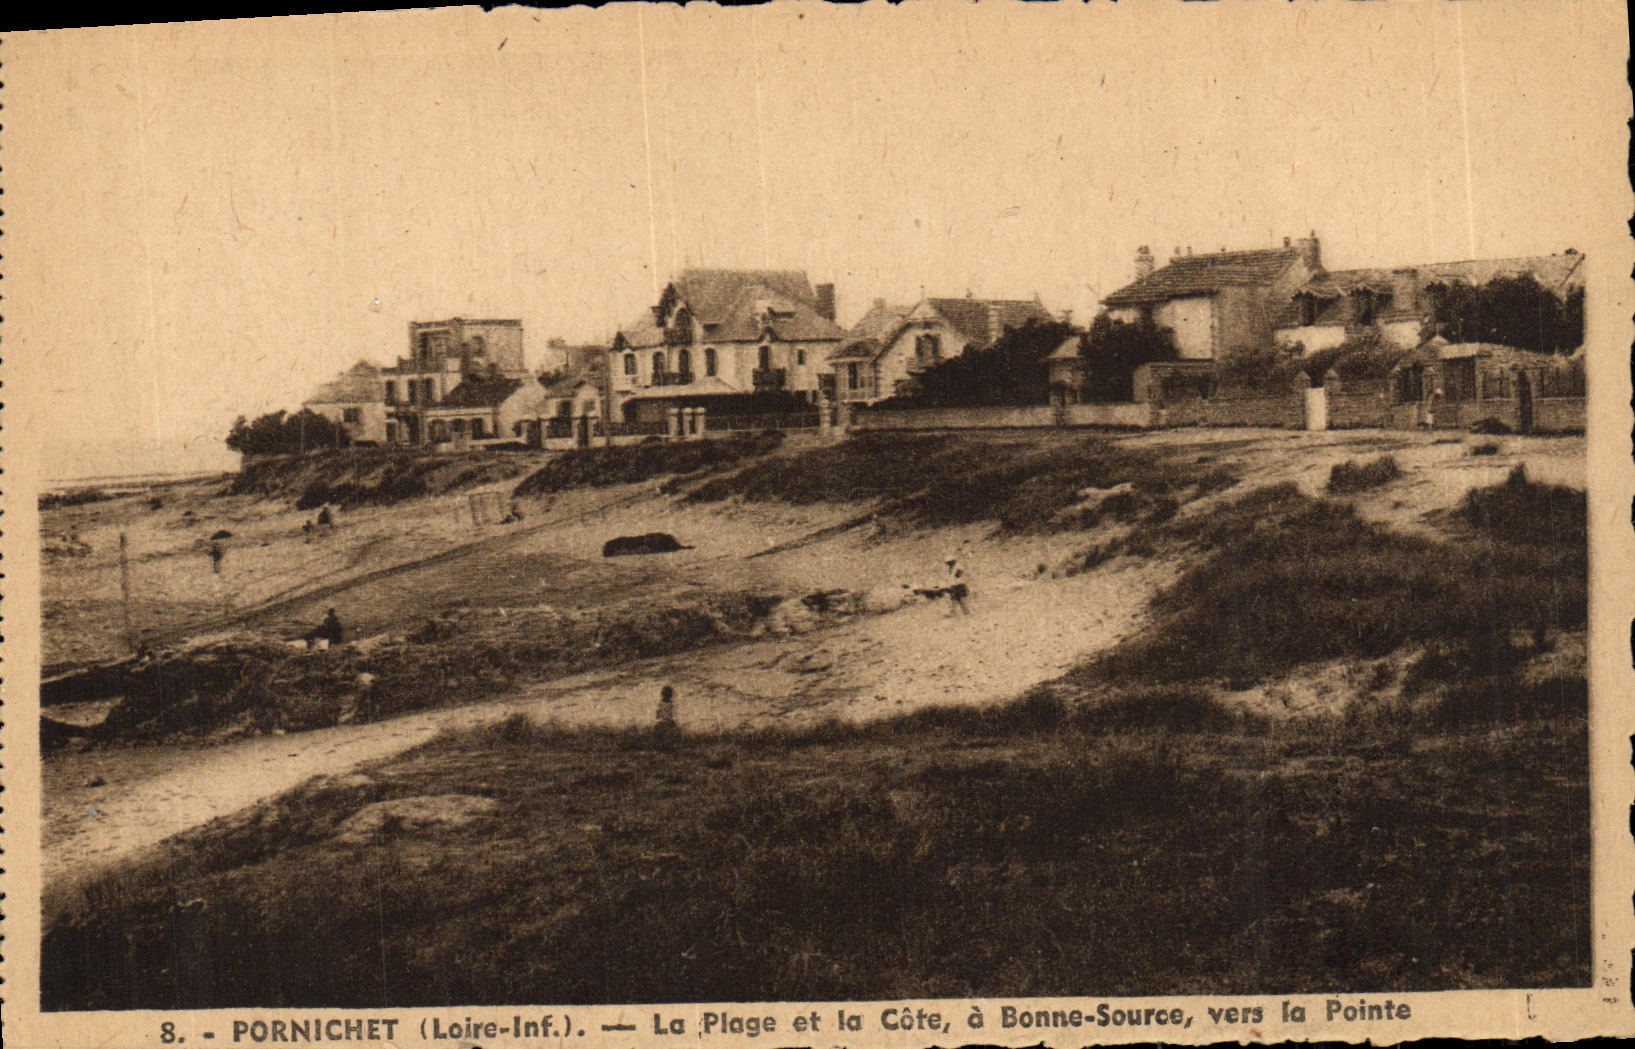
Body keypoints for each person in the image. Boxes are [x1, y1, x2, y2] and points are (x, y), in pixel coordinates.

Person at [653, 684, 678, 748]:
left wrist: (657, 719)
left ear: (662, 694)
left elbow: (657, 714)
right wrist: (673, 722)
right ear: (670, 695)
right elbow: (670, 715)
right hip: (666, 721)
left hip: (659, 721)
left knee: (659, 734)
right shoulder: (670, 704)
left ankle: (659, 745)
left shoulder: (660, 703)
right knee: (675, 731)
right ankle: (669, 745)